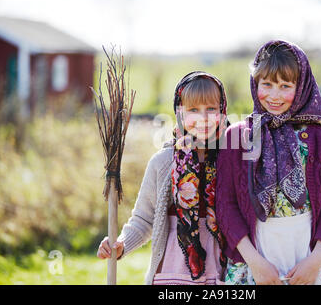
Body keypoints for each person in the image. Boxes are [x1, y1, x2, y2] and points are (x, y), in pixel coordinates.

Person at [216, 40, 321, 285]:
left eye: (285, 86)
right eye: (267, 84)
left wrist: (316, 259)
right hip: (257, 258)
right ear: (255, 83)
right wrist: (255, 263)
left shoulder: (318, 136)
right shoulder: (237, 137)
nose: (275, 95)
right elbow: (225, 205)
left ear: (301, 86)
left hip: (310, 255)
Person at [97, 71, 230, 285]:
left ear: (222, 111)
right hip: (171, 276)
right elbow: (143, 220)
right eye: (193, 110)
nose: (203, 118)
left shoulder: (231, 160)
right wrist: (121, 244)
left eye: (211, 109)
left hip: (219, 277)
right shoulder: (163, 162)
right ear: (179, 113)